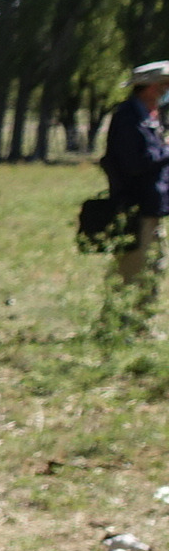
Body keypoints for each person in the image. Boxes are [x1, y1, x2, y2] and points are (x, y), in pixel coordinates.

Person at [98, 59, 169, 342]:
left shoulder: (149, 115)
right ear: (151, 87)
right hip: (134, 206)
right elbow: (136, 162)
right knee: (132, 267)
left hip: (152, 206)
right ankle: (120, 326)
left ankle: (142, 325)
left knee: (153, 265)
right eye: (165, 85)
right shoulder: (129, 117)